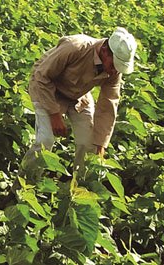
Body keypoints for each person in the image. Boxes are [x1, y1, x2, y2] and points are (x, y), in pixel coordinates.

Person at [22, 27, 137, 178]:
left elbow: (108, 104)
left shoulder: (114, 71)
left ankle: (79, 186)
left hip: (79, 95)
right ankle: (23, 186)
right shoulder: (75, 47)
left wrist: (101, 143)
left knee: (90, 145)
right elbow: (42, 77)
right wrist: (54, 114)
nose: (116, 71)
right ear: (105, 51)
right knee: (45, 141)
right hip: (47, 87)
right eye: (115, 64)